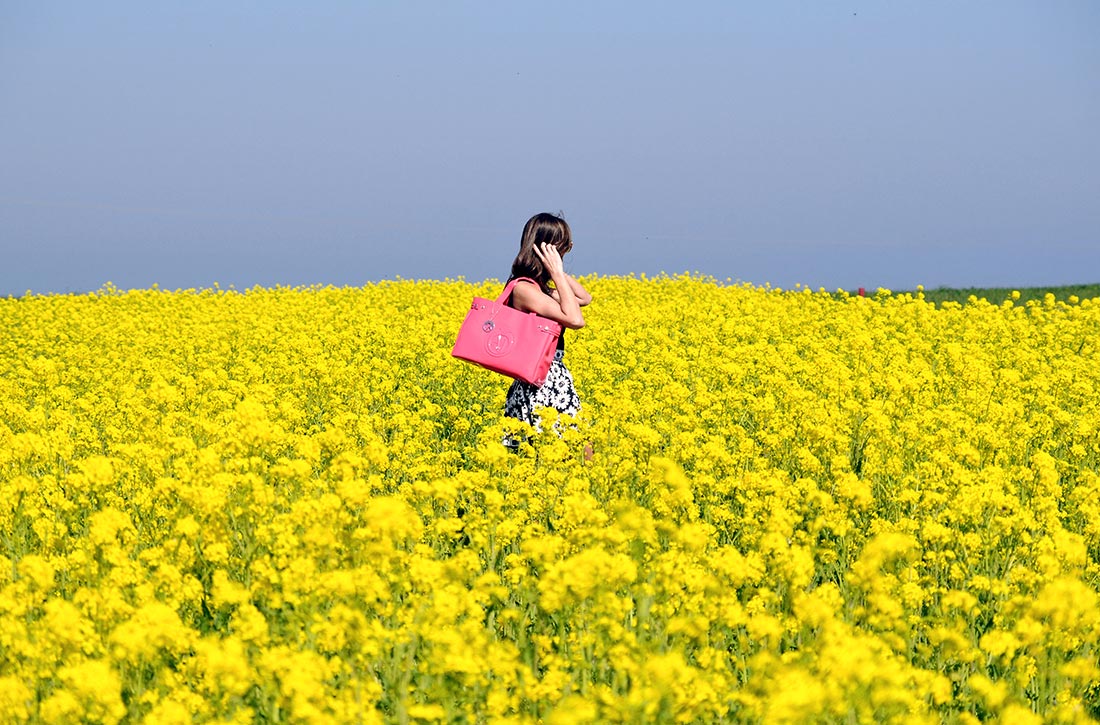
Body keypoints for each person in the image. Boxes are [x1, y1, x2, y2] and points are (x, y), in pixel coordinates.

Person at [502, 212, 592, 448]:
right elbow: (575, 319)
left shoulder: (541, 289)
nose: (566, 252)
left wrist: (557, 273)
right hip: (540, 382)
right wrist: (556, 272)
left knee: (581, 446)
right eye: (563, 247)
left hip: (554, 377)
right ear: (546, 249)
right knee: (571, 449)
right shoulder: (524, 289)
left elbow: (584, 298)